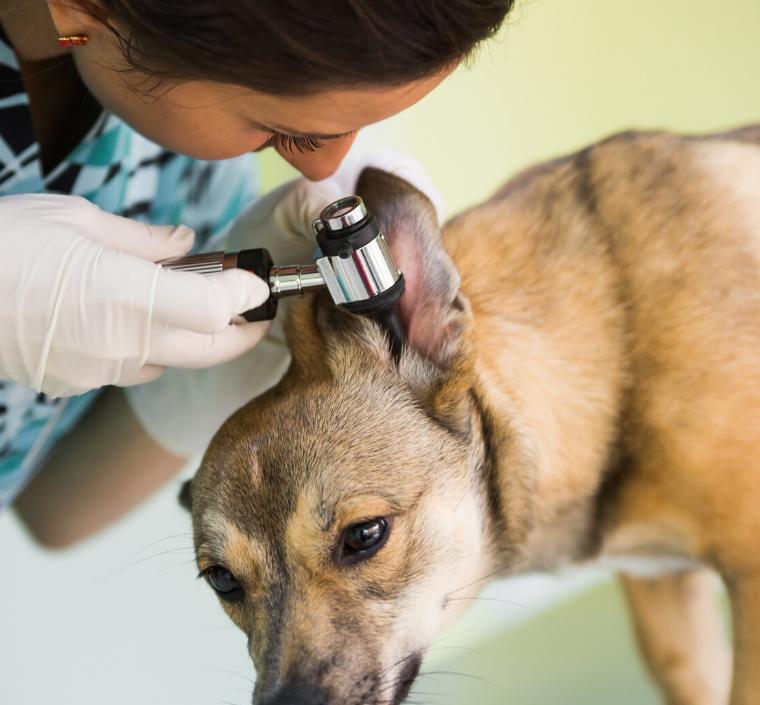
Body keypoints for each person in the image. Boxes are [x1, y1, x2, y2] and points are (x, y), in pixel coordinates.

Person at [0, 0, 514, 546]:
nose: (322, 166)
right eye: (284, 131)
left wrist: (198, 389)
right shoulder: (162, 83)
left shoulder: (173, 148)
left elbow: (53, 510)